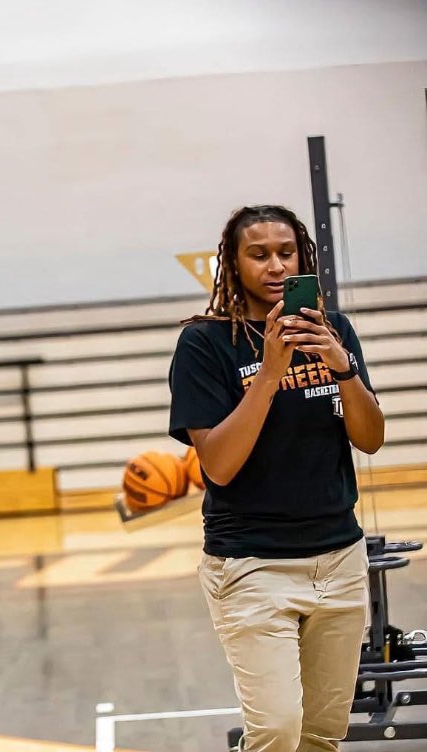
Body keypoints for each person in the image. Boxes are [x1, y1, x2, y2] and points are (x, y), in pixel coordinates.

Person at [169, 205, 385, 751]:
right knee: (276, 730)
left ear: (303, 258)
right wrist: (269, 370)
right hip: (252, 563)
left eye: (286, 253)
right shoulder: (204, 344)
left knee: (321, 735)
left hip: (339, 559)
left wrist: (343, 367)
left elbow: (372, 437)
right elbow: (219, 464)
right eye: (258, 254)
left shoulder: (334, 332)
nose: (276, 267)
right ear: (232, 264)